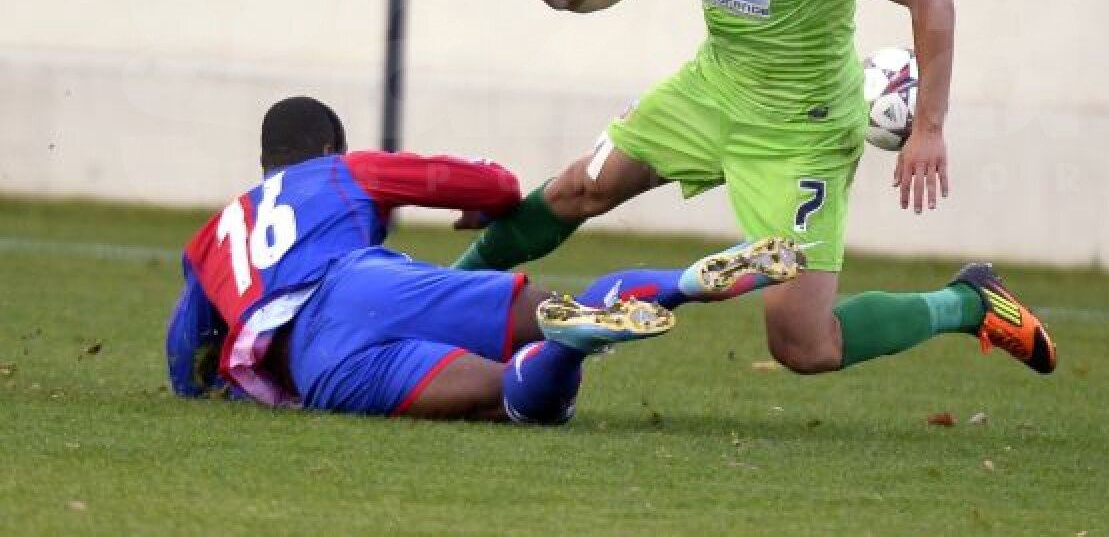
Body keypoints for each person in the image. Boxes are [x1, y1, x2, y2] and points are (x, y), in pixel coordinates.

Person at [453, 0, 1056, 376]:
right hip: (713, 91)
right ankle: (432, 297)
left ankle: (965, 302)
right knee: (580, 188)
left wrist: (928, 129)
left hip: (803, 133)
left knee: (804, 347)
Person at [166, 96, 805, 423]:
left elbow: (185, 355)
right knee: (566, 307)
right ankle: (681, 282)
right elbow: (489, 182)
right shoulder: (345, 170)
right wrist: (487, 204)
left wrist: (206, 389)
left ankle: (567, 351)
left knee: (504, 400)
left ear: (262, 163)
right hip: (374, 282)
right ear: (332, 145)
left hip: (319, 357)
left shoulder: (209, 239)